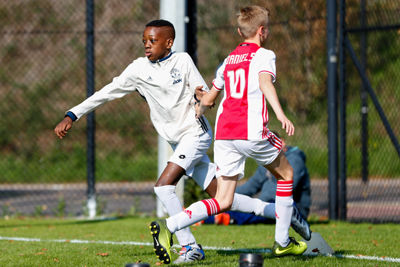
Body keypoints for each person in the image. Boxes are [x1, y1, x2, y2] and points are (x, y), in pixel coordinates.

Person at [54, 19, 310, 264]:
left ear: (169, 42)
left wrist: (201, 96)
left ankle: (189, 247)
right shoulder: (137, 69)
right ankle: (285, 215)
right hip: (178, 142)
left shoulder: (183, 60)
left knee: (163, 187)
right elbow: (105, 93)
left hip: (196, 134)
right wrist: (72, 114)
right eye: (144, 40)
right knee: (224, 200)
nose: (146, 44)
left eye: (152, 40)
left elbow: (201, 89)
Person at [149, 6, 308, 262]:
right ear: (262, 31)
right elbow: (266, 83)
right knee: (287, 173)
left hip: (224, 135)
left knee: (223, 199)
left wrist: (199, 107)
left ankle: (171, 226)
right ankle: (282, 242)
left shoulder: (229, 59)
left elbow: (210, 98)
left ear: (238, 31)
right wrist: (280, 113)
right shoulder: (265, 55)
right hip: (251, 131)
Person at [204, 132, 311, 225]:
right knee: (234, 203)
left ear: (282, 142)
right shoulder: (268, 158)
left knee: (261, 208)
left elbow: (287, 190)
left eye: (273, 143)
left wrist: (261, 204)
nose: (270, 147)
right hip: (267, 202)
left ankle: (230, 218)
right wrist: (224, 193)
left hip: (294, 208)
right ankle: (205, 216)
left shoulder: (295, 160)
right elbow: (250, 187)